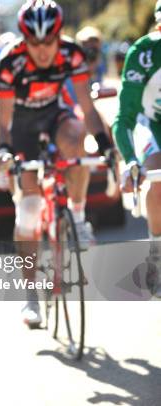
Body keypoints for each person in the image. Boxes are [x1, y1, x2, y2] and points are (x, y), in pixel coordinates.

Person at [0, 0, 114, 326]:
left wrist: (104, 145)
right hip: (21, 125)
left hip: (54, 116)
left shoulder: (72, 54)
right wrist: (4, 150)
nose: (43, 50)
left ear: (59, 36)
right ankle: (31, 295)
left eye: (49, 41)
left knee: (77, 140)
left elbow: (87, 110)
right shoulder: (11, 62)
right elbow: (2, 123)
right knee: (29, 210)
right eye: (35, 42)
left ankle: (76, 216)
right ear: (24, 39)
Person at [112, 0, 161, 297]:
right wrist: (131, 160)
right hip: (151, 124)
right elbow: (124, 119)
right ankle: (157, 252)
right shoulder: (144, 54)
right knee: (156, 172)